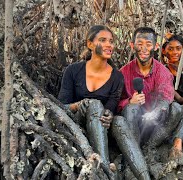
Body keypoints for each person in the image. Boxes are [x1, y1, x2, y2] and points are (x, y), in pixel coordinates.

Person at [111, 27, 183, 180]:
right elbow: (114, 103)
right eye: (139, 44)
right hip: (134, 127)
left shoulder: (162, 72)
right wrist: (128, 101)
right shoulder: (122, 73)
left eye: (149, 44)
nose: (144, 49)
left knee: (177, 108)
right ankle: (134, 154)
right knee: (130, 109)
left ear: (156, 47)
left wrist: (159, 109)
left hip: (156, 124)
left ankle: (152, 147)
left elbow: (166, 95)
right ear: (132, 46)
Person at [58, 25, 124, 172]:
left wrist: (109, 115)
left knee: (118, 119)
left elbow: (110, 109)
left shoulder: (117, 77)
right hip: (77, 124)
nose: (109, 45)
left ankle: (118, 164)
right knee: (94, 104)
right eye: (103, 40)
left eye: (111, 41)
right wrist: (78, 105)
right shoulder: (73, 71)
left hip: (101, 128)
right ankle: (105, 167)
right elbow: (61, 108)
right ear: (90, 44)